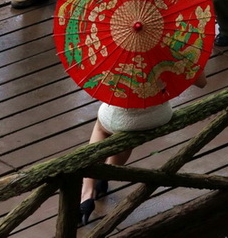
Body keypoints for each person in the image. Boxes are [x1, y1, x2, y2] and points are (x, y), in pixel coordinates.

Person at [79, 69, 207, 226]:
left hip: (121, 116)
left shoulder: (119, 50)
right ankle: (106, 175)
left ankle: (87, 192)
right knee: (127, 135)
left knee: (101, 127)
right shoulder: (171, 48)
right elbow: (202, 83)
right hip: (157, 115)